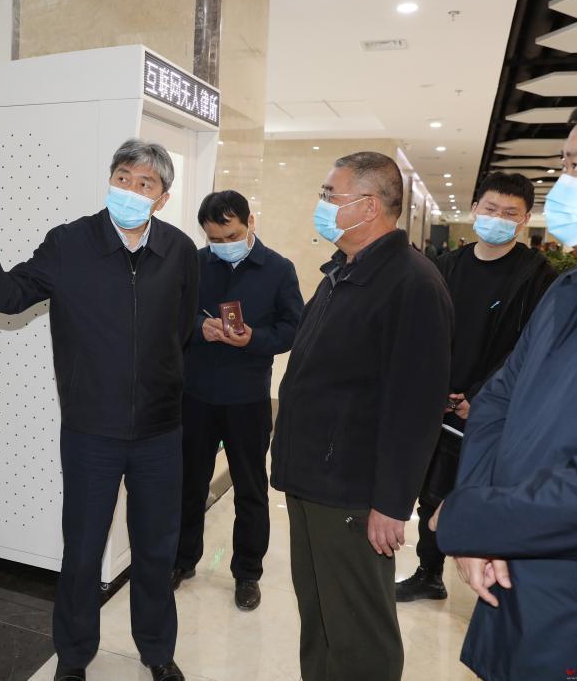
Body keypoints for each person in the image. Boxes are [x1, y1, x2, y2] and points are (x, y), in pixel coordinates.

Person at [0, 139, 197, 681]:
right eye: (123, 178)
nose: (131, 190)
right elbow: (10, 296)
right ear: (110, 179)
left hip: (160, 431)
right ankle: (74, 657)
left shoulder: (179, 250)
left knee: (156, 549)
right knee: (82, 550)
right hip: (91, 431)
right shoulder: (69, 242)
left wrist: (161, 383)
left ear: (163, 198)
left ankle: (156, 650)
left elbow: (182, 332)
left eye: (145, 184)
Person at [432, 89, 577, 680]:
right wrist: (483, 520)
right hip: (511, 572)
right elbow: (499, 401)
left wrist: (476, 519)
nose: (563, 185)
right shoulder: (573, 288)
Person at [271, 151, 453, 681]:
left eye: (331, 195)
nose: (322, 204)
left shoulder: (412, 284)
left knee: (358, 630)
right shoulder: (342, 272)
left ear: (369, 206)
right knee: (320, 616)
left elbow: (415, 407)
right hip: (312, 479)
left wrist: (392, 504)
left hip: (352, 489)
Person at [396, 172, 556, 602]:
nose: (498, 218)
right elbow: (422, 331)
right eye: (491, 209)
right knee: (431, 490)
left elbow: (531, 346)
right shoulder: (446, 266)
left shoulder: (538, 276)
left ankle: (490, 574)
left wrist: (483, 396)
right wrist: (433, 386)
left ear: (524, 220)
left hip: (495, 405)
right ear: (474, 210)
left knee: (477, 490)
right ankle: (429, 573)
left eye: (510, 213)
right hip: (438, 398)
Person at [173, 190, 302, 611]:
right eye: (214, 238)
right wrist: (198, 328)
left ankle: (247, 572)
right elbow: (171, 316)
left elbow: (293, 328)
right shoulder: (194, 263)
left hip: (247, 398)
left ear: (250, 222)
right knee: (189, 484)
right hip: (196, 394)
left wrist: (254, 339)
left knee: (250, 488)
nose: (223, 244)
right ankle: (182, 558)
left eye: (231, 235)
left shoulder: (278, 269)